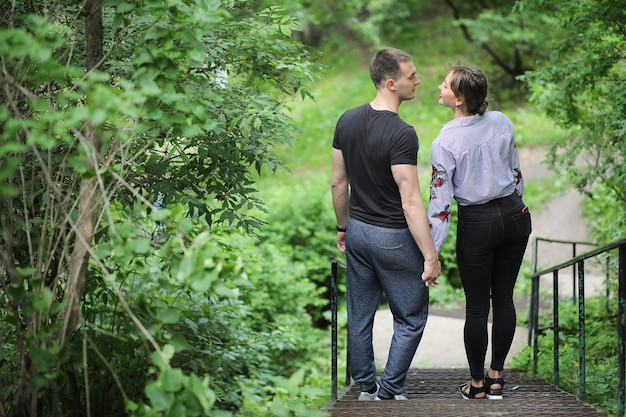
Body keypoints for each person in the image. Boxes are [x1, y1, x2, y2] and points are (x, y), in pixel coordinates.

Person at [331, 47, 441, 401]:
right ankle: (389, 390)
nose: (418, 81)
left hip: (359, 231)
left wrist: (343, 227)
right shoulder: (401, 133)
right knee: (410, 317)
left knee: (360, 315)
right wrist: (430, 256)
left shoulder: (345, 120)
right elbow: (410, 201)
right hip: (393, 238)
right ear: (391, 83)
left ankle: (365, 387)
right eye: (411, 76)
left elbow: (337, 183)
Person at [427, 64, 532, 400]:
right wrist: (517, 204)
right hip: (515, 215)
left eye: (444, 85)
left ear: (459, 100)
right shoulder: (502, 121)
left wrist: (433, 252)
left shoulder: (445, 142)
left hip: (477, 223)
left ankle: (476, 386)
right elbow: (516, 171)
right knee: (503, 298)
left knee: (476, 307)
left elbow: (440, 204)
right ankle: (496, 376)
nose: (439, 87)